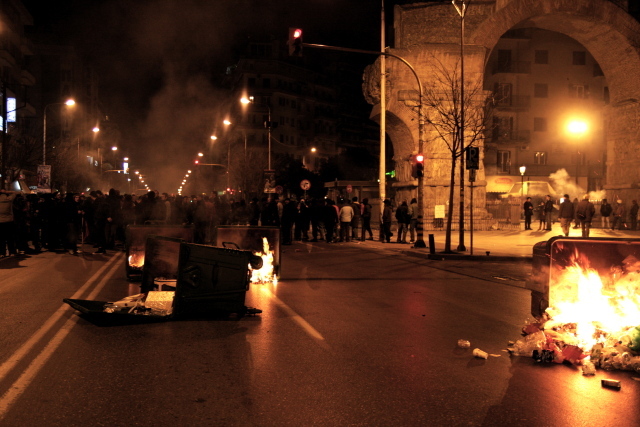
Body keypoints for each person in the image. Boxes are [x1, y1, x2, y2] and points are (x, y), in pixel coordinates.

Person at [0, 189, 18, 257]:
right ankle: (12, 252)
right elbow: (15, 192)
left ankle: (2, 253)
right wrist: (7, 192)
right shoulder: (9, 199)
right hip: (9, 221)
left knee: (1, 239)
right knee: (10, 238)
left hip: (0, 222)